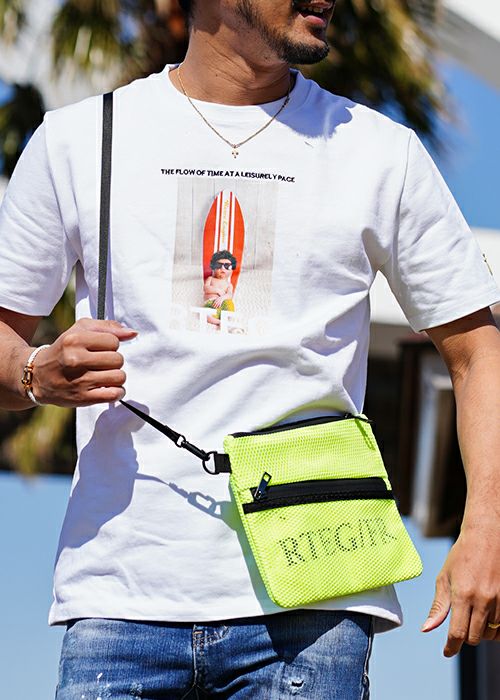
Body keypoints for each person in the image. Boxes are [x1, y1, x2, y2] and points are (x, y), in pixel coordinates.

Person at [0, 0, 499, 697]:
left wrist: (488, 530)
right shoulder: (81, 140)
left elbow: (478, 354)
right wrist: (36, 372)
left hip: (313, 602)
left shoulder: (378, 151)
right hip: (122, 598)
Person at [204, 250, 237, 326]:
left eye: (227, 266)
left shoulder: (229, 285)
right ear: (213, 268)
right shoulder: (211, 279)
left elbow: (229, 295)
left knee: (230, 308)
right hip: (211, 304)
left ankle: (227, 321)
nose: (222, 268)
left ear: (232, 270)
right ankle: (219, 322)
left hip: (224, 303)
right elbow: (206, 288)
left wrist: (222, 298)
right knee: (205, 314)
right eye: (219, 265)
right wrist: (217, 290)